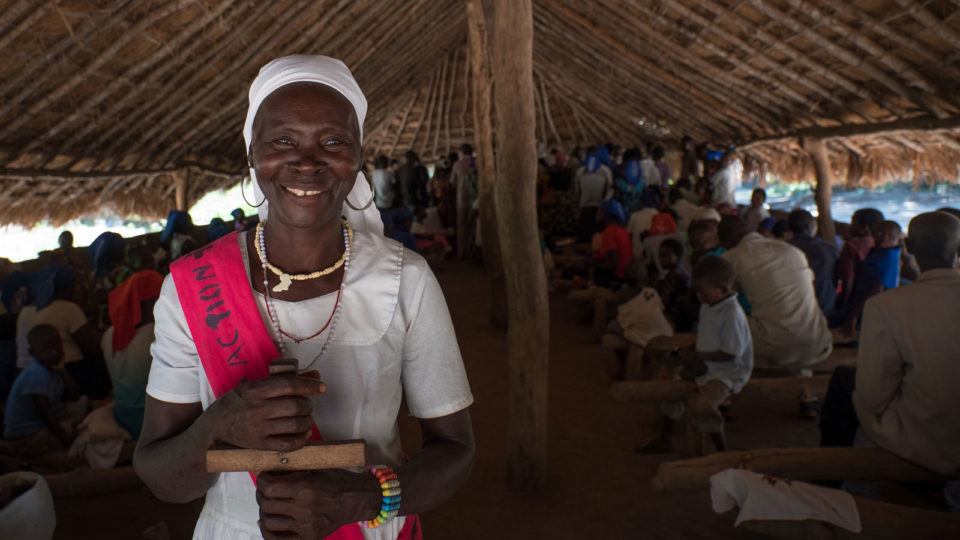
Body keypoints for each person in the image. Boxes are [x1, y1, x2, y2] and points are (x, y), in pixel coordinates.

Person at [133, 55, 474, 540]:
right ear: (253, 154)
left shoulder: (406, 279)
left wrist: (362, 499)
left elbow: (456, 449)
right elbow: (160, 475)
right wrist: (220, 425)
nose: (308, 161)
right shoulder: (190, 288)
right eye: (283, 141)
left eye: (333, 141)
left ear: (357, 156)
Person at [853, 212, 960, 477]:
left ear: (907, 247)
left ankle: (833, 482)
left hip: (933, 444)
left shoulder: (885, 307)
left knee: (852, 389)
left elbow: (872, 394)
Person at [637, 256, 752, 454]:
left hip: (727, 373)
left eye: (702, 292)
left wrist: (698, 355)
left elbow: (730, 354)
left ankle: (723, 452)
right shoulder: (709, 304)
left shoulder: (731, 313)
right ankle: (665, 439)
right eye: (697, 291)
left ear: (723, 289)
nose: (698, 296)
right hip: (706, 365)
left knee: (703, 408)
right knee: (670, 391)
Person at [719, 217, 832, 369]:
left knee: (721, 319)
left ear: (726, 242)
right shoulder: (791, 250)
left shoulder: (732, 257)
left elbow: (720, 299)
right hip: (819, 343)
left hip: (778, 346)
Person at [28, 266, 108, 399]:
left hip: (50, 370)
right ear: (68, 287)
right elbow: (91, 347)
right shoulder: (69, 308)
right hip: (74, 369)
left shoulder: (42, 308)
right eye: (76, 284)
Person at [3, 325, 81, 460]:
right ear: (32, 353)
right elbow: (47, 416)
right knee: (73, 451)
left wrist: (63, 371)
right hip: (27, 434)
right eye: (47, 350)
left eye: (58, 346)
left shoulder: (53, 369)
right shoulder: (37, 373)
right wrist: (67, 441)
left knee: (83, 404)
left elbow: (75, 396)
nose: (55, 352)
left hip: (44, 424)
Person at [101, 271, 163, 440]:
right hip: (150, 420)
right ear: (151, 302)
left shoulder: (108, 335)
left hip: (122, 414)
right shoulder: (156, 334)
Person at [839, 220, 902, 336]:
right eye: (880, 234)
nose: (884, 238)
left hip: (872, 309)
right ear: (872, 233)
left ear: (899, 238)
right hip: (865, 304)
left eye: (891, 236)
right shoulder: (879, 252)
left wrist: (853, 316)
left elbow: (876, 289)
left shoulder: (888, 257)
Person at [834, 208, 884, 317]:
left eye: (853, 223)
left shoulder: (852, 246)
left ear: (865, 228)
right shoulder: (882, 244)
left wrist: (844, 304)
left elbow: (848, 278)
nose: (851, 226)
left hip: (858, 298)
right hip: (879, 298)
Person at [788, 209, 839, 315]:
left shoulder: (785, 249)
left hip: (792, 306)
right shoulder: (828, 249)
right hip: (824, 306)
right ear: (810, 226)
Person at [574, 147, 613, 243]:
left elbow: (577, 192)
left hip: (584, 209)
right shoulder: (606, 171)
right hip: (600, 210)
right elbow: (609, 192)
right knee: (599, 241)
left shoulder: (580, 171)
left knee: (585, 240)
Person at [593, 200, 632, 288]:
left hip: (616, 275)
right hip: (625, 272)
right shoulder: (622, 230)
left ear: (606, 214)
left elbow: (612, 261)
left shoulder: (609, 231)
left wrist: (597, 266)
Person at [627, 188, 660, 259]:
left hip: (636, 255)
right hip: (652, 257)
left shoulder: (634, 215)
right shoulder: (659, 216)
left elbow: (629, 236)